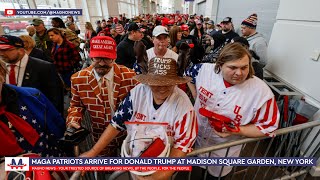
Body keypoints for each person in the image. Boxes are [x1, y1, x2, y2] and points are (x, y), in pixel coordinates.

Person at [81, 45, 198, 180]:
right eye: (156, 83)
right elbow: (116, 123)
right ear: (148, 81)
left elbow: (183, 145)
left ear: (175, 83)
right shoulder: (138, 92)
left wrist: (162, 174)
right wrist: (93, 152)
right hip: (135, 158)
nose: (162, 89)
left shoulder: (184, 106)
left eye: (168, 83)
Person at [186, 43, 279, 179]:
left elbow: (268, 127)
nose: (239, 73)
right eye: (233, 67)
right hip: (196, 138)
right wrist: (195, 95)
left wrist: (238, 130)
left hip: (224, 150)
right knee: (193, 173)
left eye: (244, 67)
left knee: (216, 177)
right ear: (220, 64)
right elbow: (187, 75)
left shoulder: (261, 92)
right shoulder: (203, 70)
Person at [66, 36, 137, 158]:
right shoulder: (78, 79)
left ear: (115, 57)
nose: (102, 63)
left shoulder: (130, 76)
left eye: (107, 58)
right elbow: (76, 106)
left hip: (127, 134)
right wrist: (73, 120)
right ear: (90, 55)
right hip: (100, 134)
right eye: (97, 58)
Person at [0, 35, 64, 115]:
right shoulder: (1, 68)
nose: (1, 53)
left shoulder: (44, 67)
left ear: (21, 50)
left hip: (37, 117)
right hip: (10, 119)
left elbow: (55, 98)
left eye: (5, 50)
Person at [241, 13, 268, 78]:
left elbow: (263, 62)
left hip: (252, 74)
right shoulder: (245, 37)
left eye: (243, 28)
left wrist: (251, 69)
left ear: (250, 28)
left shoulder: (259, 42)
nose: (241, 29)